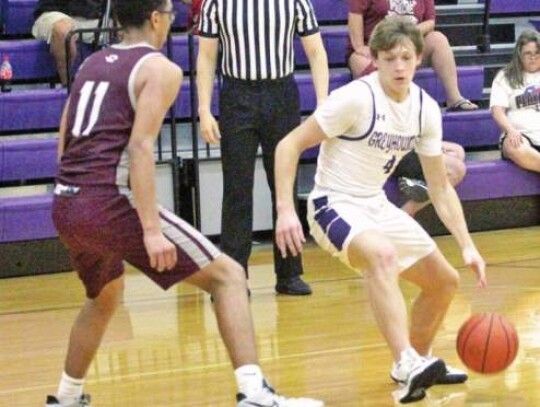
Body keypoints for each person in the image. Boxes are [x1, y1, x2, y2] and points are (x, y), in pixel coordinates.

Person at [46, 1, 324, 406]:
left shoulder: (91, 63)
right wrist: (151, 231)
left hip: (67, 199)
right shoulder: (161, 69)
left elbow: (65, 134)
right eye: (171, 16)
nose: (173, 23)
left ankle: (67, 397)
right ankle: (254, 393)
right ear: (156, 19)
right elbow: (141, 149)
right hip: (108, 199)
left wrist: (72, 192)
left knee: (103, 297)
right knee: (228, 275)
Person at [274, 17, 487, 404]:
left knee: (444, 281)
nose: (400, 66)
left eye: (406, 57)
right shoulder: (355, 98)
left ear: (419, 58)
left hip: (374, 204)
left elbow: (438, 186)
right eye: (390, 59)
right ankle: (405, 359)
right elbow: (288, 146)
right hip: (332, 203)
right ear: (376, 60)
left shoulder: (424, 108)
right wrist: (285, 209)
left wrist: (467, 245)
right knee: (382, 255)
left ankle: (415, 363)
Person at [196, 0, 329, 295]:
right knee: (236, 189)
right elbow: (206, 56)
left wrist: (322, 103)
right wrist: (204, 109)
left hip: (281, 93)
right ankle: (233, 279)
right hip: (236, 94)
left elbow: (316, 51)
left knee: (284, 186)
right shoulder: (215, 2)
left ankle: (289, 273)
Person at [347, 0, 478, 111]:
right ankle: (380, 108)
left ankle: (454, 98)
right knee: (360, 61)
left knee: (438, 39)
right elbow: (355, 14)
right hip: (378, 48)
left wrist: (407, 33)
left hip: (410, 47)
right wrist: (359, 46)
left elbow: (430, 21)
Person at [490, 29, 540, 172]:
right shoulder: (505, 76)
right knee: (513, 146)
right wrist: (511, 131)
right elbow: (497, 111)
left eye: (537, 53)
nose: (533, 58)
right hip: (521, 136)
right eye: (528, 54)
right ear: (519, 55)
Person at [32, 0, 104, 86]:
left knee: (123, 25)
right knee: (62, 31)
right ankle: (66, 87)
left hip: (101, 15)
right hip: (58, 11)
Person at [393, 141, 466, 216]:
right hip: (394, 149)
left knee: (458, 152)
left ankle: (419, 182)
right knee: (456, 169)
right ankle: (404, 213)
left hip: (412, 143)